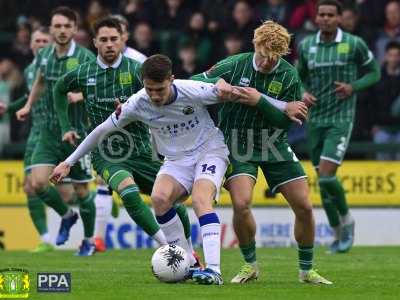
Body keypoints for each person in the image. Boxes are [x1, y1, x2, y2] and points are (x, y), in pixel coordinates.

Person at [50, 54, 301, 285]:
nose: (155, 95)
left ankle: (214, 270)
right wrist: (68, 162)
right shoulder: (137, 103)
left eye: (160, 89)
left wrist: (284, 106)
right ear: (143, 83)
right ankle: (188, 264)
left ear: (172, 79)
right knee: (159, 199)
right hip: (176, 160)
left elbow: (242, 93)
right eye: (150, 89)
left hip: (209, 150)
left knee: (201, 200)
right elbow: (101, 131)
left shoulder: (193, 90)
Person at [192, 20, 332, 284]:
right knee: (242, 203)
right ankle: (250, 265)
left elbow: (285, 122)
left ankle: (306, 270)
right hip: (236, 144)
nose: (269, 62)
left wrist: (259, 102)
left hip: (274, 143)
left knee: (304, 206)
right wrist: (216, 84)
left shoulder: (289, 75)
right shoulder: (235, 64)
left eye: (275, 57)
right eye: (265, 56)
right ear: (255, 45)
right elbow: (195, 80)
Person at [51, 18, 195, 257]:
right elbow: (59, 89)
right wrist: (66, 126)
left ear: (123, 40)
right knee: (127, 191)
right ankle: (167, 247)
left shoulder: (137, 70)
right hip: (106, 153)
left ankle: (189, 252)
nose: (109, 44)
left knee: (171, 202)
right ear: (95, 42)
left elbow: (162, 97)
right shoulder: (84, 72)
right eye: (104, 40)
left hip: (141, 149)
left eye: (113, 39)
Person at [297, 0, 380, 253]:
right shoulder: (306, 45)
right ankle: (336, 235)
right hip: (316, 119)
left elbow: (375, 73)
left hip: (341, 118)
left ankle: (347, 221)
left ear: (340, 18)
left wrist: (353, 86)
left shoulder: (354, 44)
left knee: (327, 175)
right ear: (317, 17)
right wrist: (302, 92)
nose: (325, 18)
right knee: (323, 181)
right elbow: (297, 75)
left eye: (330, 15)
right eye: (321, 14)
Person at [15, 6, 97, 256]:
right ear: (51, 29)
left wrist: (79, 95)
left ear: (74, 29)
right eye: (57, 26)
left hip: (76, 132)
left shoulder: (85, 58)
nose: (62, 31)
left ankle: (89, 241)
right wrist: (28, 105)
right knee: (37, 183)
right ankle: (67, 215)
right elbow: (40, 81)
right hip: (49, 133)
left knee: (82, 190)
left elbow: (97, 89)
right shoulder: (45, 56)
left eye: (66, 26)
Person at [0, 27, 73, 253]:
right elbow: (28, 97)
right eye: (37, 40)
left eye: (44, 40)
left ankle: (99, 199)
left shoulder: (58, 64)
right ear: (31, 45)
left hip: (61, 131)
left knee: (67, 191)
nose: (40, 43)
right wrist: (9, 108)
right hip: (37, 134)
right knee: (31, 186)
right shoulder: (31, 69)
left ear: (51, 43)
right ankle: (46, 239)